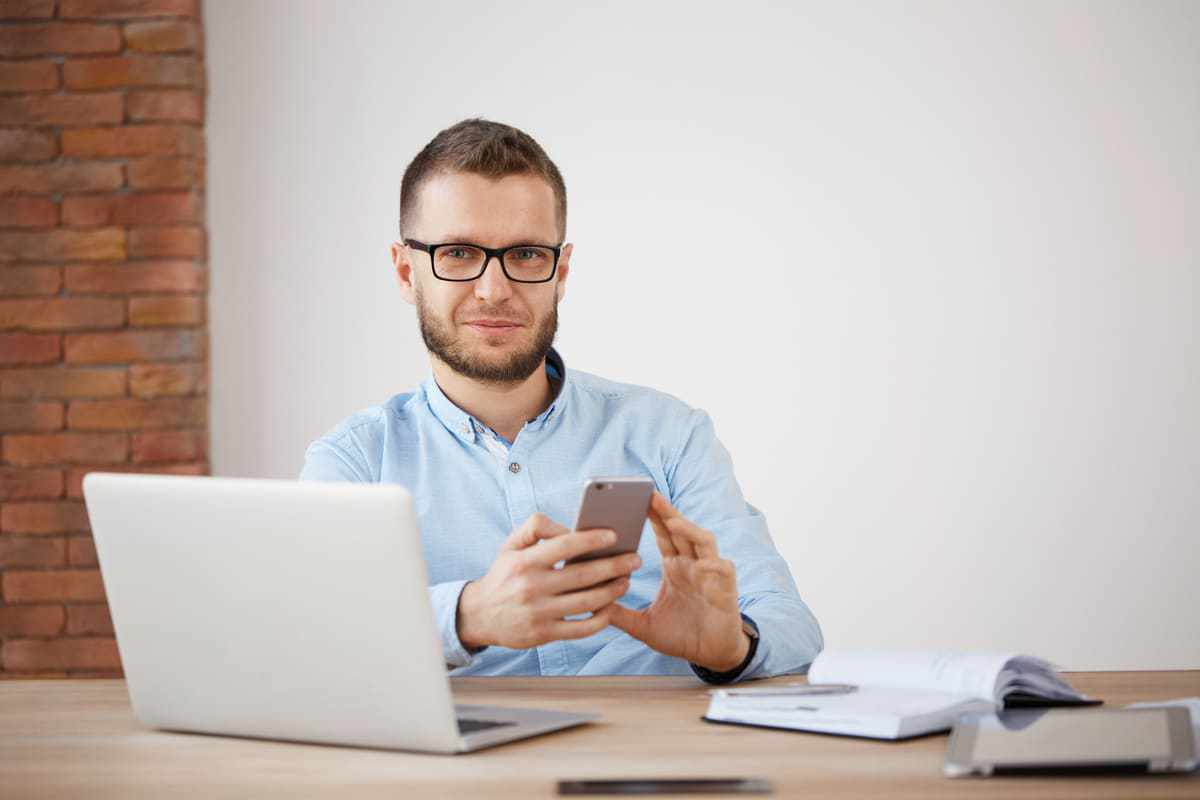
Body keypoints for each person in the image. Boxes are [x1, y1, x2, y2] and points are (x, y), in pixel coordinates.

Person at [300, 118, 822, 683]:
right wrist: (468, 616)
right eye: (456, 252)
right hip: (464, 764)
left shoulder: (669, 434)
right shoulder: (354, 462)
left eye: (525, 255)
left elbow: (792, 625)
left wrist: (729, 646)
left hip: (650, 756)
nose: (494, 289)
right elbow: (308, 641)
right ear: (407, 272)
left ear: (561, 271)